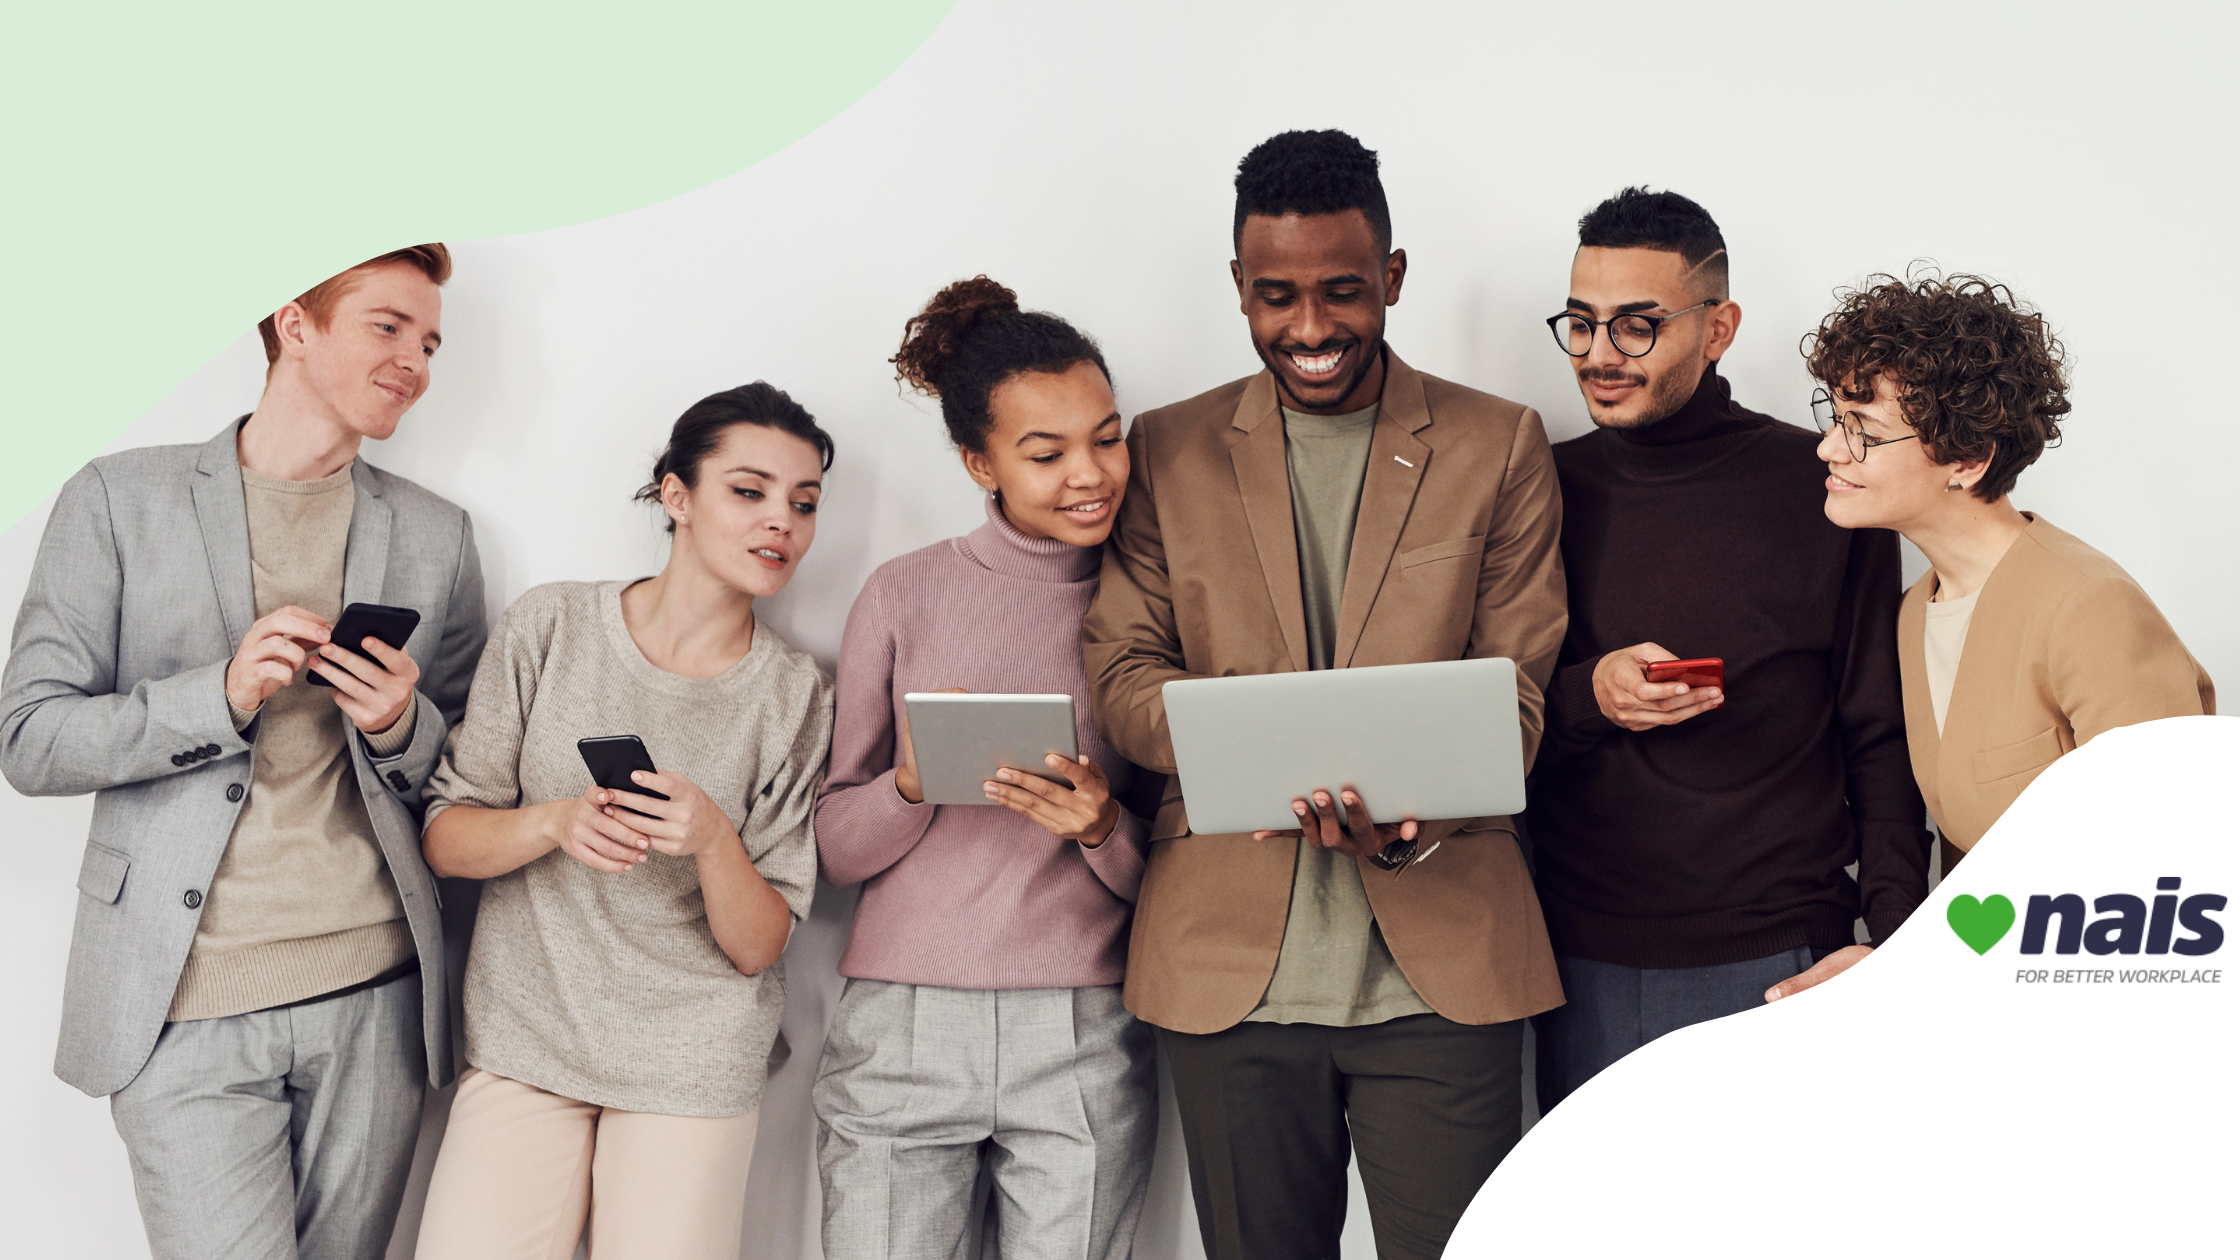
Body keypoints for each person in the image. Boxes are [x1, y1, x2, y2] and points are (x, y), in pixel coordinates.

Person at [1081, 129, 1568, 1260]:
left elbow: (1519, 699)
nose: (1308, 329)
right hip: (1227, 977)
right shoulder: (1162, 449)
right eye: (1275, 297)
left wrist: (1410, 796)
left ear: (1391, 278)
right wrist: (1263, 745)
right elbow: (1120, 674)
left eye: (1342, 292)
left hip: (1441, 970)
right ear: (1239, 288)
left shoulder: (1496, 444)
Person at [0, 246, 485, 1259]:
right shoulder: (116, 500)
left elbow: (467, 774)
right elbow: (31, 738)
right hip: (182, 1007)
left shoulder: (437, 537)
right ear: (292, 323)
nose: (415, 362)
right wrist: (213, 697)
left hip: (377, 1000)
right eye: (386, 327)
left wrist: (400, 724)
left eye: (430, 341)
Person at [1525, 189, 1930, 1110]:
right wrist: (1592, 695)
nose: (1598, 355)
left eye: (1636, 327)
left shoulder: (1826, 483)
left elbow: (1879, 732)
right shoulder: (1538, 484)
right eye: (1581, 325)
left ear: (1719, 328)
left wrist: (1894, 941)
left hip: (1784, 954)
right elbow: (1481, 714)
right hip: (1578, 957)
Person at [411, 383, 836, 1260]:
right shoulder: (552, 624)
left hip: (692, 1061)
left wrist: (715, 839)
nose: (781, 524)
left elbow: (759, 945)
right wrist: (555, 822)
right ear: (675, 496)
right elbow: (446, 841)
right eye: (749, 492)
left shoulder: (794, 693)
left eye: (804, 504)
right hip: (527, 1039)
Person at [813, 277, 1156, 1260]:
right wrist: (910, 786)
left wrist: (1099, 826)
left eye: (1106, 436)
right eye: (1044, 453)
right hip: (903, 1024)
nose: (1089, 474)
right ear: (979, 463)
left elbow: (1181, 860)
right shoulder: (904, 593)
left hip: (1083, 1022)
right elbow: (834, 848)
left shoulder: (1156, 602)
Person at [1806, 271, 2213, 869]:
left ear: (1967, 461)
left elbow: (2174, 853)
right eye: (1838, 419)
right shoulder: (1916, 609)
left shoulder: (2090, 608)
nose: (1831, 448)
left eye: (1865, 431)